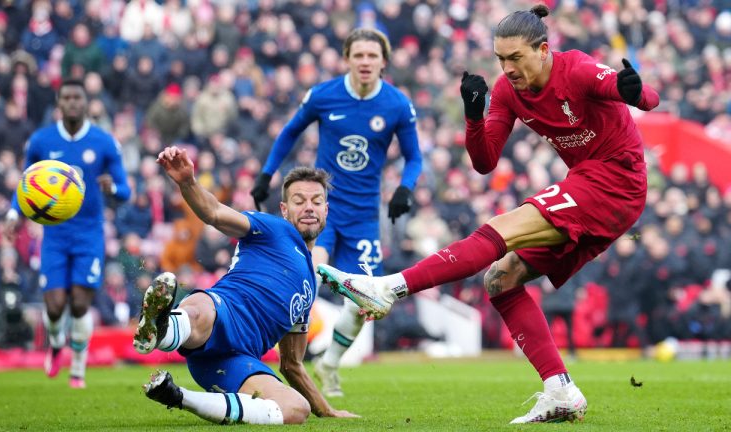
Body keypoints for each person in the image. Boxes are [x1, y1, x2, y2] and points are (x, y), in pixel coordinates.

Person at [317, 4, 659, 424]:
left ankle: (390, 288)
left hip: (616, 183)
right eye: (501, 58)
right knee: (500, 279)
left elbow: (648, 98)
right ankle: (560, 390)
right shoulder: (508, 90)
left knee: (500, 229)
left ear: (544, 49)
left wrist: (634, 90)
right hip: (593, 189)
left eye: (516, 57)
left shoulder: (580, 70)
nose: (508, 67)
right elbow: (484, 161)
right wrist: (474, 116)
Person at [251, 27, 422, 397]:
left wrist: (405, 188)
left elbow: (414, 156)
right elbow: (289, 133)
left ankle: (329, 363)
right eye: (358, 55)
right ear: (347, 58)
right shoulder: (324, 95)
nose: (364, 62)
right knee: (309, 273)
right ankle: (287, 361)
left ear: (383, 62)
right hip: (321, 209)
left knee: (366, 303)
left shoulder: (396, 104)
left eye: (371, 56)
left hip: (364, 216)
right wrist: (267, 175)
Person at [134, 149, 357, 425]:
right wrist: (187, 182)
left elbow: (292, 365)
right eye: (299, 201)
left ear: (326, 210)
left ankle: (177, 396)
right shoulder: (272, 227)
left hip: (235, 362)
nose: (309, 207)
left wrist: (325, 409)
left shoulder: (309, 286)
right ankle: (160, 330)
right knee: (199, 310)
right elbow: (215, 213)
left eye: (316, 201)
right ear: (285, 210)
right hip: (222, 314)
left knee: (296, 409)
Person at [5, 79, 131, 388]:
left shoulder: (103, 141)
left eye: (78, 97)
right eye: (67, 98)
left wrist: (111, 188)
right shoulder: (41, 141)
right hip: (55, 235)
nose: (73, 103)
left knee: (79, 304)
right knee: (54, 305)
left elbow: (126, 190)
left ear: (86, 103)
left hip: (89, 234)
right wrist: (13, 214)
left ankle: (77, 367)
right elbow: (25, 186)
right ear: (59, 104)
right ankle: (56, 341)